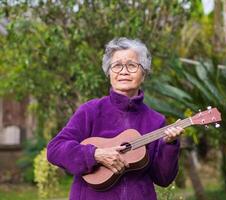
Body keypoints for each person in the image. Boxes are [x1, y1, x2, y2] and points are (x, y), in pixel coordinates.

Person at [47, 37, 183, 200]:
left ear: (144, 74)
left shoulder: (155, 121)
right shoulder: (91, 111)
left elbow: (163, 178)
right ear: (109, 72)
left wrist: (170, 145)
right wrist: (95, 154)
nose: (124, 71)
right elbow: (55, 149)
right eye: (117, 65)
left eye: (132, 65)